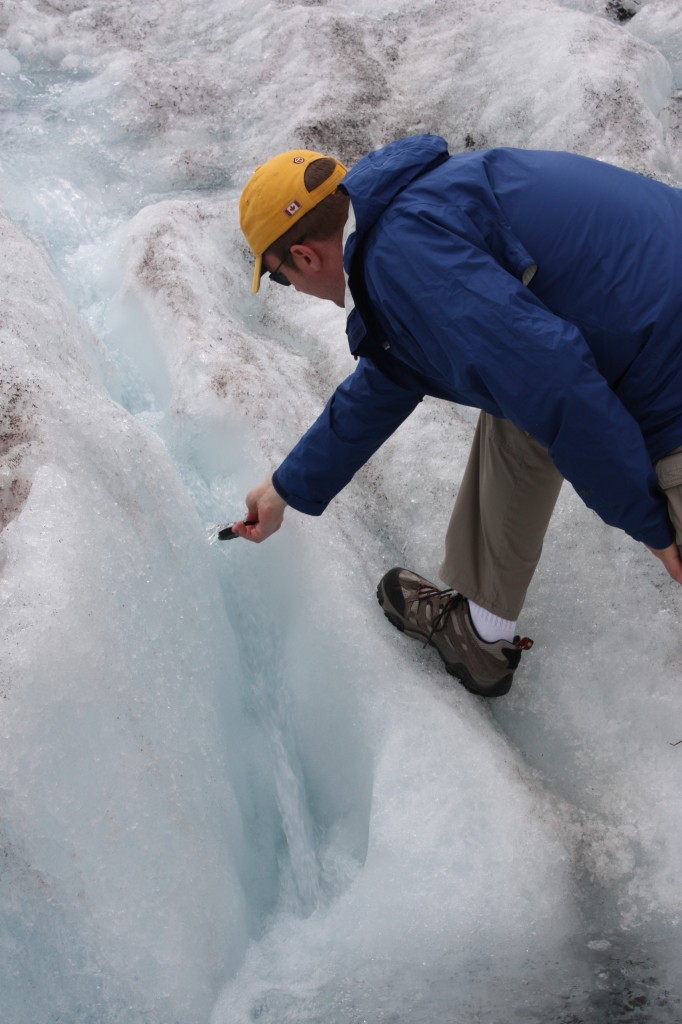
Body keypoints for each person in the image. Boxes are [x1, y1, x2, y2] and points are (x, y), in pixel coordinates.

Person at [234, 135, 682, 697]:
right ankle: (481, 630)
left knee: (530, 386)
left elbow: (555, 380)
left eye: (278, 276)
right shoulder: (418, 209)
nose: (292, 287)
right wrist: (285, 487)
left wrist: (649, 523)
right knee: (514, 395)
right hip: (654, 325)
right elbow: (392, 375)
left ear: (303, 255)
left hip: (669, 371)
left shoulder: (403, 258)